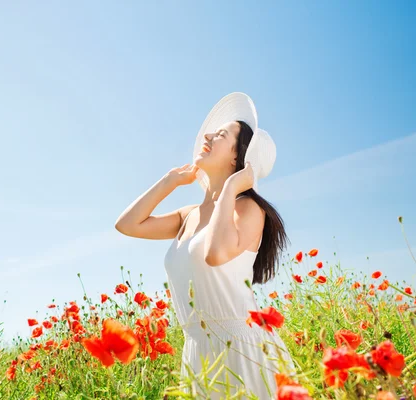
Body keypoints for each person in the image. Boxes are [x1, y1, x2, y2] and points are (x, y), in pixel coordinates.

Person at [115, 92, 296, 399]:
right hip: (198, 351)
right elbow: (128, 224)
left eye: (221, 134)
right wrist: (170, 181)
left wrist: (230, 188)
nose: (209, 136)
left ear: (236, 157)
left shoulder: (249, 209)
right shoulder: (189, 216)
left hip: (242, 350)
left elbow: (215, 254)